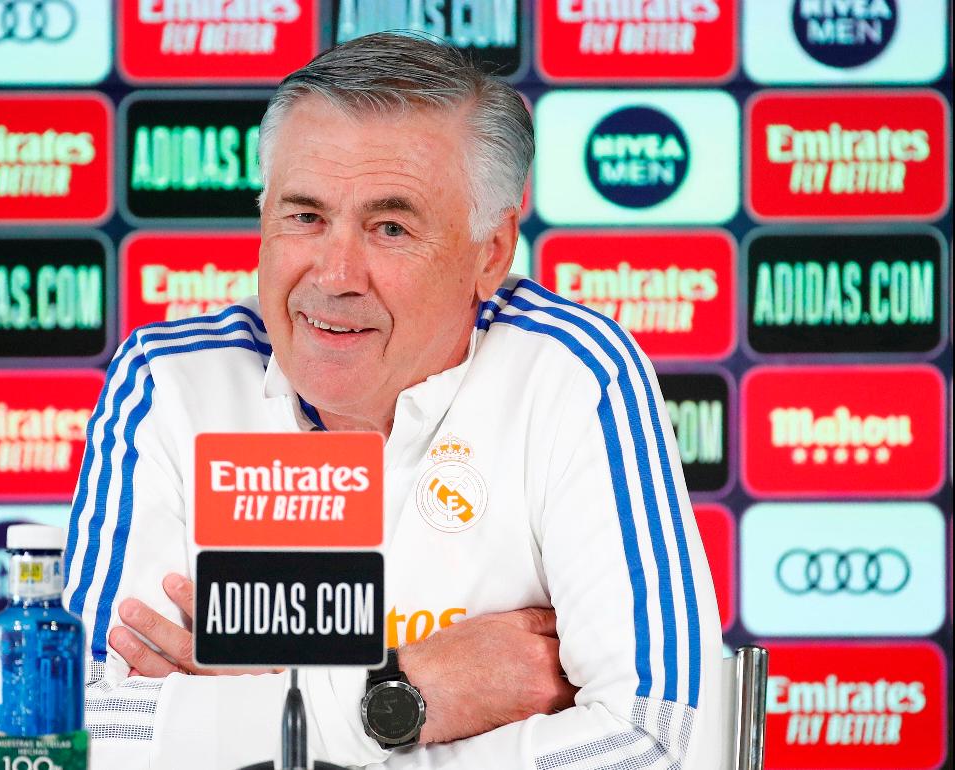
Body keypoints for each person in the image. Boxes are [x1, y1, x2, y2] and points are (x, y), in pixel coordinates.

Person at [62, 32, 722, 769]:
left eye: (390, 228)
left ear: (491, 252)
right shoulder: (174, 381)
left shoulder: (571, 374)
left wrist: (252, 719)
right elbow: (75, 737)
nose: (334, 275)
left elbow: (665, 743)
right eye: (305, 217)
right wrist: (407, 693)